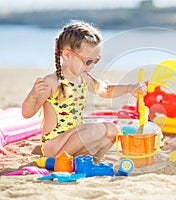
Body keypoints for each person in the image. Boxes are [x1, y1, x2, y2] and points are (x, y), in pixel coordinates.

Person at [22, 20, 147, 159]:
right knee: (97, 129)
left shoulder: (83, 78)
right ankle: (59, 159)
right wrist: (33, 96)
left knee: (112, 130)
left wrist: (130, 88)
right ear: (67, 55)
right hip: (54, 144)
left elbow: (105, 90)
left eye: (96, 60)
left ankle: (94, 161)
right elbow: (27, 113)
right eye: (88, 61)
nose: (92, 65)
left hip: (76, 140)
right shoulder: (51, 82)